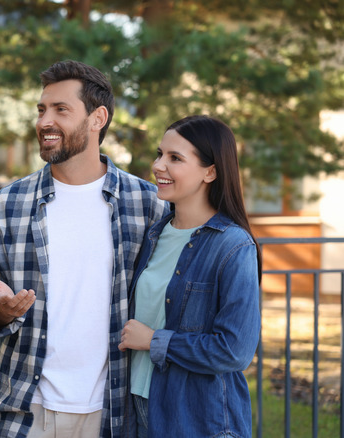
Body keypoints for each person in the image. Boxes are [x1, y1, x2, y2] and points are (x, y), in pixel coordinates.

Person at [0, 60, 168, 438]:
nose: (45, 121)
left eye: (61, 110)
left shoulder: (147, 204)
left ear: (97, 118)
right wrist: (0, 311)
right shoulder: (10, 202)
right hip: (26, 409)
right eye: (42, 109)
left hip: (115, 411)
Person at [118, 115, 261, 437]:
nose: (158, 166)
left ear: (210, 171)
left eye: (175, 158)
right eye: (159, 154)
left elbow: (234, 351)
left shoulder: (233, 246)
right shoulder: (155, 235)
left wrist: (154, 340)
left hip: (195, 417)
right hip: (139, 405)